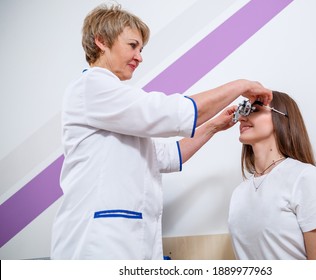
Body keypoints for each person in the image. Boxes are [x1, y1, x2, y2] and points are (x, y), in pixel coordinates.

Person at [50, 4, 272, 260]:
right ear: (101, 41)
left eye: (141, 49)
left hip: (129, 245)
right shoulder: (91, 88)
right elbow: (169, 112)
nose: (139, 57)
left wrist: (213, 126)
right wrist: (241, 85)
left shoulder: (117, 105)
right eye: (132, 45)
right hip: (96, 245)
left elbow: (168, 156)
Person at [228, 91, 316, 260]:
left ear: (282, 117)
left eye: (255, 110)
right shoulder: (239, 193)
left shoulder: (304, 177)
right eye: (243, 111)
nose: (241, 118)